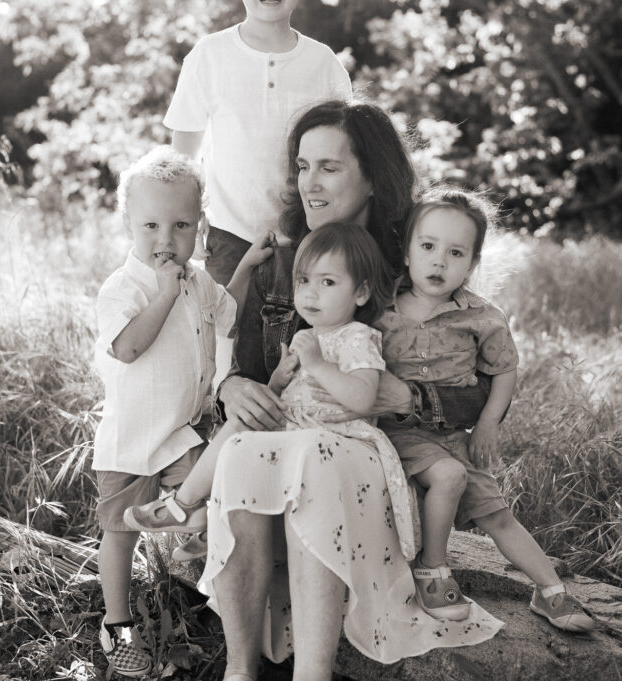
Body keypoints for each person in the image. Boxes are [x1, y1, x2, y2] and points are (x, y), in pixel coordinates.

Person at [195, 100, 503, 681]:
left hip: (374, 459)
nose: (310, 180)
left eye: (329, 165)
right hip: (290, 441)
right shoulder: (287, 260)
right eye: (303, 165)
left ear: (374, 176)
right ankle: (240, 675)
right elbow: (233, 365)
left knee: (318, 460)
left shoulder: (419, 258)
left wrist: (408, 400)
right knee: (244, 454)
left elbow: (474, 390)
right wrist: (234, 386)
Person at [124, 222, 420, 563]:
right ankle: (195, 508)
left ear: (361, 293)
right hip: (299, 426)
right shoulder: (308, 337)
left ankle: (190, 509)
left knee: (243, 439)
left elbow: (364, 399)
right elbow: (294, 391)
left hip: (338, 435)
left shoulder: (358, 337)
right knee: (237, 428)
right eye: (304, 280)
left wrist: (319, 365)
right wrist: (279, 380)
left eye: (328, 282)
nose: (310, 293)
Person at [92, 146, 273, 678]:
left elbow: (226, 312)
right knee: (120, 532)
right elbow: (127, 348)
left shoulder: (196, 279)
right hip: (130, 439)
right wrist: (165, 294)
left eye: (181, 225)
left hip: (181, 432)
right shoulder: (122, 288)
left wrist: (244, 266)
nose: (165, 240)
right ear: (128, 223)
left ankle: (200, 569)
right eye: (150, 225)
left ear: (199, 226)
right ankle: (117, 624)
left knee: (210, 497)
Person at [380, 188, 595, 632]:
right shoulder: (380, 309)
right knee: (449, 477)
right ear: (406, 252)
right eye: (428, 247)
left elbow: (504, 371)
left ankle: (550, 591)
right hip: (399, 434)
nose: (439, 262)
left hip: (454, 438)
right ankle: (433, 571)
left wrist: (488, 424)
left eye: (455, 252)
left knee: (497, 512)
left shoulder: (481, 316)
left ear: (473, 263)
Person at [163, 0, 352, 287]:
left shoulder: (323, 63)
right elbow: (184, 151)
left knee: (298, 338)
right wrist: (186, 216)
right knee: (226, 334)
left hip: (306, 233)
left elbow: (346, 152)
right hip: (229, 231)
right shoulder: (210, 55)